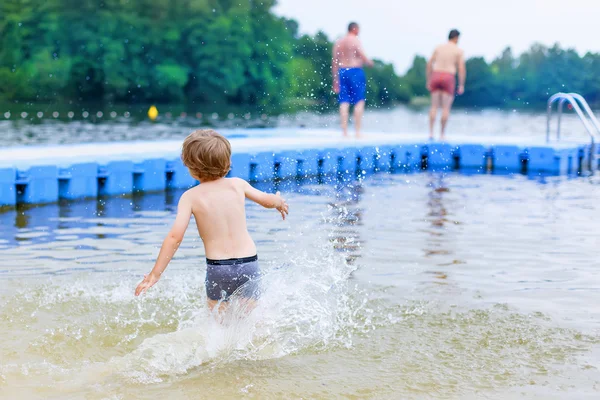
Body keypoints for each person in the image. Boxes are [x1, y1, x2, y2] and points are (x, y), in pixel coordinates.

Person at [135, 129, 289, 312]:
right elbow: (267, 200)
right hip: (248, 263)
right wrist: (278, 201)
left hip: (218, 268)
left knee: (218, 321)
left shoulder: (190, 197)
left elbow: (174, 237)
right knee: (251, 317)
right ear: (228, 161)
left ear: (190, 167)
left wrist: (155, 274)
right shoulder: (238, 185)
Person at [332, 22, 374, 138]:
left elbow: (335, 62)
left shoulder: (339, 42)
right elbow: (362, 55)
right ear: (354, 29)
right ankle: (357, 131)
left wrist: (335, 80)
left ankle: (344, 132)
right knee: (359, 101)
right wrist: (369, 62)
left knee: (344, 102)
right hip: (355, 71)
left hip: (342, 72)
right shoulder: (355, 40)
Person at [426, 29, 466, 141]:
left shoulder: (438, 48)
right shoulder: (458, 51)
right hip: (448, 76)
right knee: (445, 108)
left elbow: (429, 64)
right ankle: (442, 134)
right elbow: (461, 69)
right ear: (456, 38)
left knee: (434, 106)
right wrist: (461, 85)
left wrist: (428, 80)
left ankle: (430, 133)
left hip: (436, 74)